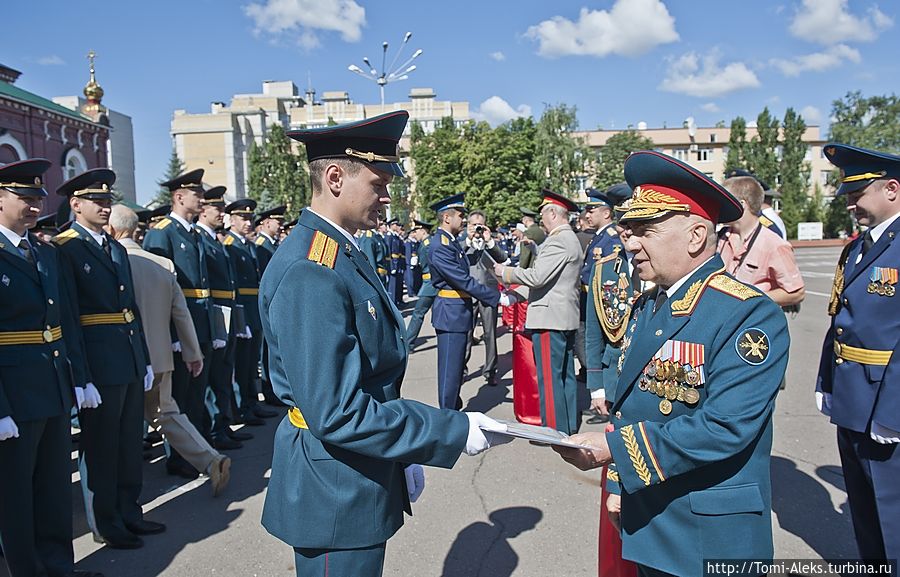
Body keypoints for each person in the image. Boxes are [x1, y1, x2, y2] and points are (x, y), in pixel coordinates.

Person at [260, 110, 508, 577]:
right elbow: (337, 412)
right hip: (334, 486)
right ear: (336, 177)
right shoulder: (311, 269)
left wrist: (399, 457)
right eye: (378, 184)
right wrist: (446, 432)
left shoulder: (342, 249)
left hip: (357, 469)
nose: (388, 196)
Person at [553, 150, 789, 576]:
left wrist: (613, 452)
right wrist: (620, 485)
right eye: (628, 228)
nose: (630, 240)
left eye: (645, 229)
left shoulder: (747, 314)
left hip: (708, 538)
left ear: (697, 235)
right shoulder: (651, 303)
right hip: (650, 519)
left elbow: (724, 427)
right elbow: (633, 408)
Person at [0, 158, 103, 577]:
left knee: (54, 490)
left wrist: (79, 379)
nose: (32, 206)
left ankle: (59, 567)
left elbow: (65, 322)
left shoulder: (44, 250)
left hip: (54, 386)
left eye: (36, 197)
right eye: (23, 197)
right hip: (15, 393)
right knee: (15, 496)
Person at [53, 169, 161, 549]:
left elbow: (129, 308)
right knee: (101, 446)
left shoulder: (113, 247)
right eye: (96, 201)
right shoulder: (64, 248)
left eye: (107, 201)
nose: (104, 207)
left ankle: (130, 511)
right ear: (75, 204)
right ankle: (106, 522)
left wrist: (144, 358)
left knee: (129, 441)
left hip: (128, 357)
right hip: (98, 362)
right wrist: (80, 376)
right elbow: (67, 318)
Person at [108, 205, 231, 497]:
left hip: (123, 358)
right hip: (161, 356)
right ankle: (211, 459)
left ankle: (122, 498)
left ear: (112, 230)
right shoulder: (162, 265)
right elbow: (181, 313)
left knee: (120, 428)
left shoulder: (111, 261)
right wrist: (193, 353)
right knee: (167, 413)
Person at [816, 143, 900, 564]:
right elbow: (840, 320)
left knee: (893, 515)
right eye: (847, 195)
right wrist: (825, 381)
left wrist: (893, 412)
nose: (850, 204)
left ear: (892, 189)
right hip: (853, 400)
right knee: (866, 514)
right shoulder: (858, 248)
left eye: (857, 194)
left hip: (888, 406)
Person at [143, 169, 215, 479]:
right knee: (178, 399)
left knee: (196, 393)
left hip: (199, 323)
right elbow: (157, 287)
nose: (201, 198)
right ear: (179, 196)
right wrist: (172, 334)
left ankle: (199, 451)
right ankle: (179, 457)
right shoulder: (162, 232)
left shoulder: (193, 233)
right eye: (196, 193)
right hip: (177, 330)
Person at [495, 190, 583, 435]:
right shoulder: (567, 238)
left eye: (544, 215)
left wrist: (506, 273)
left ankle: (553, 430)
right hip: (561, 316)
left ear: (553, 214)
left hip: (549, 318)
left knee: (550, 379)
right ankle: (567, 426)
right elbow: (550, 282)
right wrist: (515, 294)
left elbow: (538, 277)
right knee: (564, 376)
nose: (541, 220)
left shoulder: (558, 240)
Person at [429, 194, 506, 410]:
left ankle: (452, 404)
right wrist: (497, 296)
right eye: (461, 216)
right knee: (449, 371)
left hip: (457, 311)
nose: (463, 221)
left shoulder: (450, 242)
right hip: (451, 313)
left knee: (453, 369)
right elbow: (462, 279)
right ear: (446, 217)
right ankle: (447, 416)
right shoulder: (441, 245)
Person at [195, 186, 244, 449]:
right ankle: (215, 429)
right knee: (214, 377)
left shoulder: (215, 239)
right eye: (218, 209)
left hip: (225, 313)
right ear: (203, 210)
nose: (222, 214)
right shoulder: (201, 239)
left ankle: (224, 425)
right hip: (213, 314)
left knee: (225, 373)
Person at [583, 183, 635, 426]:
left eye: (635, 223)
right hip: (615, 379)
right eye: (622, 223)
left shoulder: (669, 267)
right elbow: (594, 333)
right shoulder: (604, 268)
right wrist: (596, 387)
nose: (627, 231)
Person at [718, 176, 805, 307]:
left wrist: (750, 297)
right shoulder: (719, 237)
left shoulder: (774, 244)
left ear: (742, 205)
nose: (719, 207)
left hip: (751, 322)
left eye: (724, 202)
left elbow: (796, 293)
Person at [223, 199, 271, 425]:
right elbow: (233, 285)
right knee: (242, 363)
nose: (248, 222)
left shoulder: (248, 245)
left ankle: (251, 403)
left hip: (254, 309)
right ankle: (242, 406)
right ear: (231, 220)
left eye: (251, 218)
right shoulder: (230, 244)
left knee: (252, 361)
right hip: (242, 309)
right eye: (243, 218)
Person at [463, 210, 507, 386]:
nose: (477, 228)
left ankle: (490, 370)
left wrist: (489, 241)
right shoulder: (463, 243)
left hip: (488, 292)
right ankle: (462, 369)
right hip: (469, 292)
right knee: (466, 334)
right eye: (473, 224)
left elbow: (502, 258)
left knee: (490, 334)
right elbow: (457, 255)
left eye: (480, 224)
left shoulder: (489, 243)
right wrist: (469, 239)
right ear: (468, 225)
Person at [404, 220, 436, 349]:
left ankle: (407, 343)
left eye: (416, 231)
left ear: (423, 231)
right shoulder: (426, 243)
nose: (414, 234)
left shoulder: (427, 244)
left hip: (430, 284)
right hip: (430, 282)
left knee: (418, 313)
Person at [386, 218, 406, 306]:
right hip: (393, 264)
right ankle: (393, 304)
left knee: (397, 285)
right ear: (392, 225)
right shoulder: (389, 236)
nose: (397, 226)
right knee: (392, 286)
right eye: (396, 225)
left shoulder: (395, 236)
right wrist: (392, 266)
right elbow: (389, 252)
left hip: (398, 263)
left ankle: (397, 301)